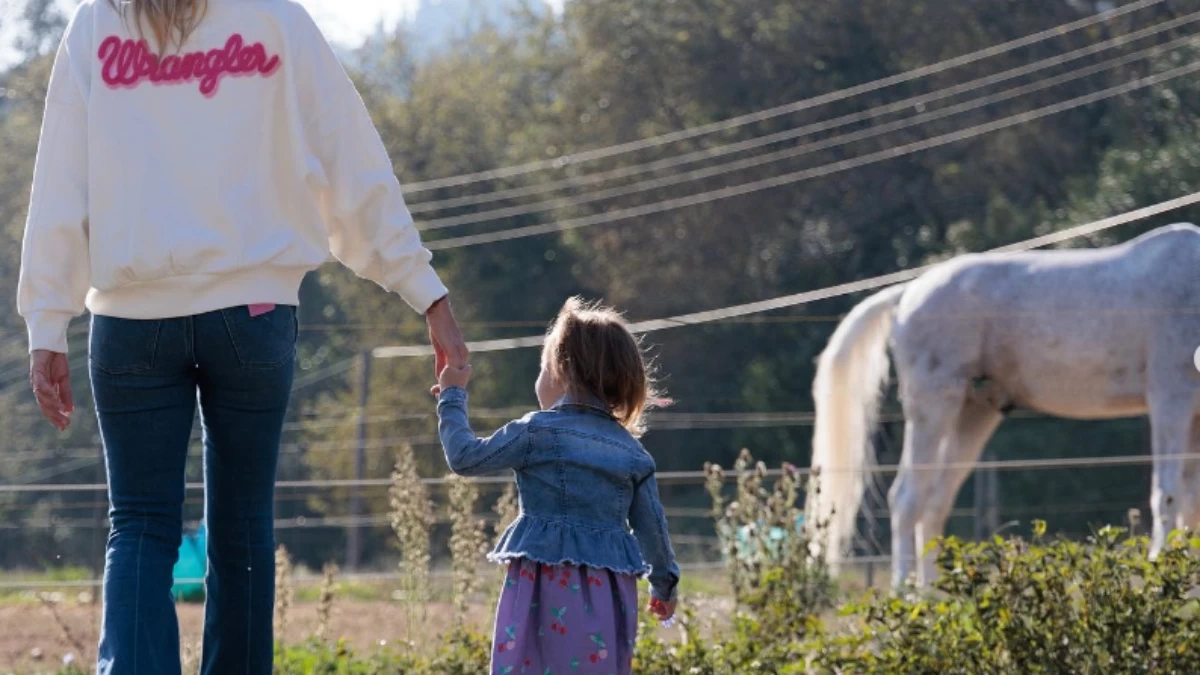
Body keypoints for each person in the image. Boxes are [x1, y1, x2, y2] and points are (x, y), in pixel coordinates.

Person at [17, 1, 467, 672]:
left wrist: (46, 322)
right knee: (243, 526)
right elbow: (352, 160)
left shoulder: (96, 23)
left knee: (140, 524)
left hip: (132, 318)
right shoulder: (274, 18)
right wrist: (424, 289)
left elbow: (59, 184)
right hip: (254, 314)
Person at [436, 297, 679, 674]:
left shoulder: (535, 432)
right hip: (609, 598)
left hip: (542, 592)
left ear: (562, 372)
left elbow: (466, 457)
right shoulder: (633, 454)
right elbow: (654, 532)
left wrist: (453, 395)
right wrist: (665, 587)